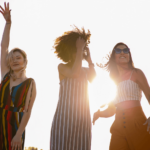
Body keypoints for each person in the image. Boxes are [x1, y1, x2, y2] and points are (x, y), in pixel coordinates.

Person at [93, 42, 150, 150]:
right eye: (118, 51)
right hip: (118, 126)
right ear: (114, 56)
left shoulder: (137, 73)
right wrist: (99, 114)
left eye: (126, 50)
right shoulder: (113, 80)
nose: (123, 52)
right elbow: (112, 110)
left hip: (137, 124)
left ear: (129, 54)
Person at [50, 26, 96, 150]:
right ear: (71, 51)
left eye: (82, 49)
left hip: (82, 122)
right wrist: (79, 48)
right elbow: (74, 73)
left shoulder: (86, 70)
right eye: (77, 49)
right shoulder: (62, 68)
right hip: (64, 121)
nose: (81, 52)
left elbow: (93, 78)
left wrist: (89, 59)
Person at [0, 2, 36, 150]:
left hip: (15, 126)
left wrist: (18, 134)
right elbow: (4, 47)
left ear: (25, 61)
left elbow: (27, 112)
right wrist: (8, 23)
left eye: (18, 57)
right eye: (12, 57)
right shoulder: (5, 76)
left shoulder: (30, 83)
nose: (14, 60)